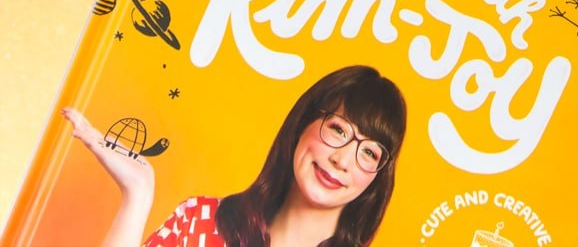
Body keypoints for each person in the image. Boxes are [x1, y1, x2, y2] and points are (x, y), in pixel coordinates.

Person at [64, 64, 406, 247]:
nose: (343, 160)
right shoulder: (200, 222)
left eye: (370, 153)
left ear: (377, 177)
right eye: (339, 130)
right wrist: (136, 196)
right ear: (303, 123)